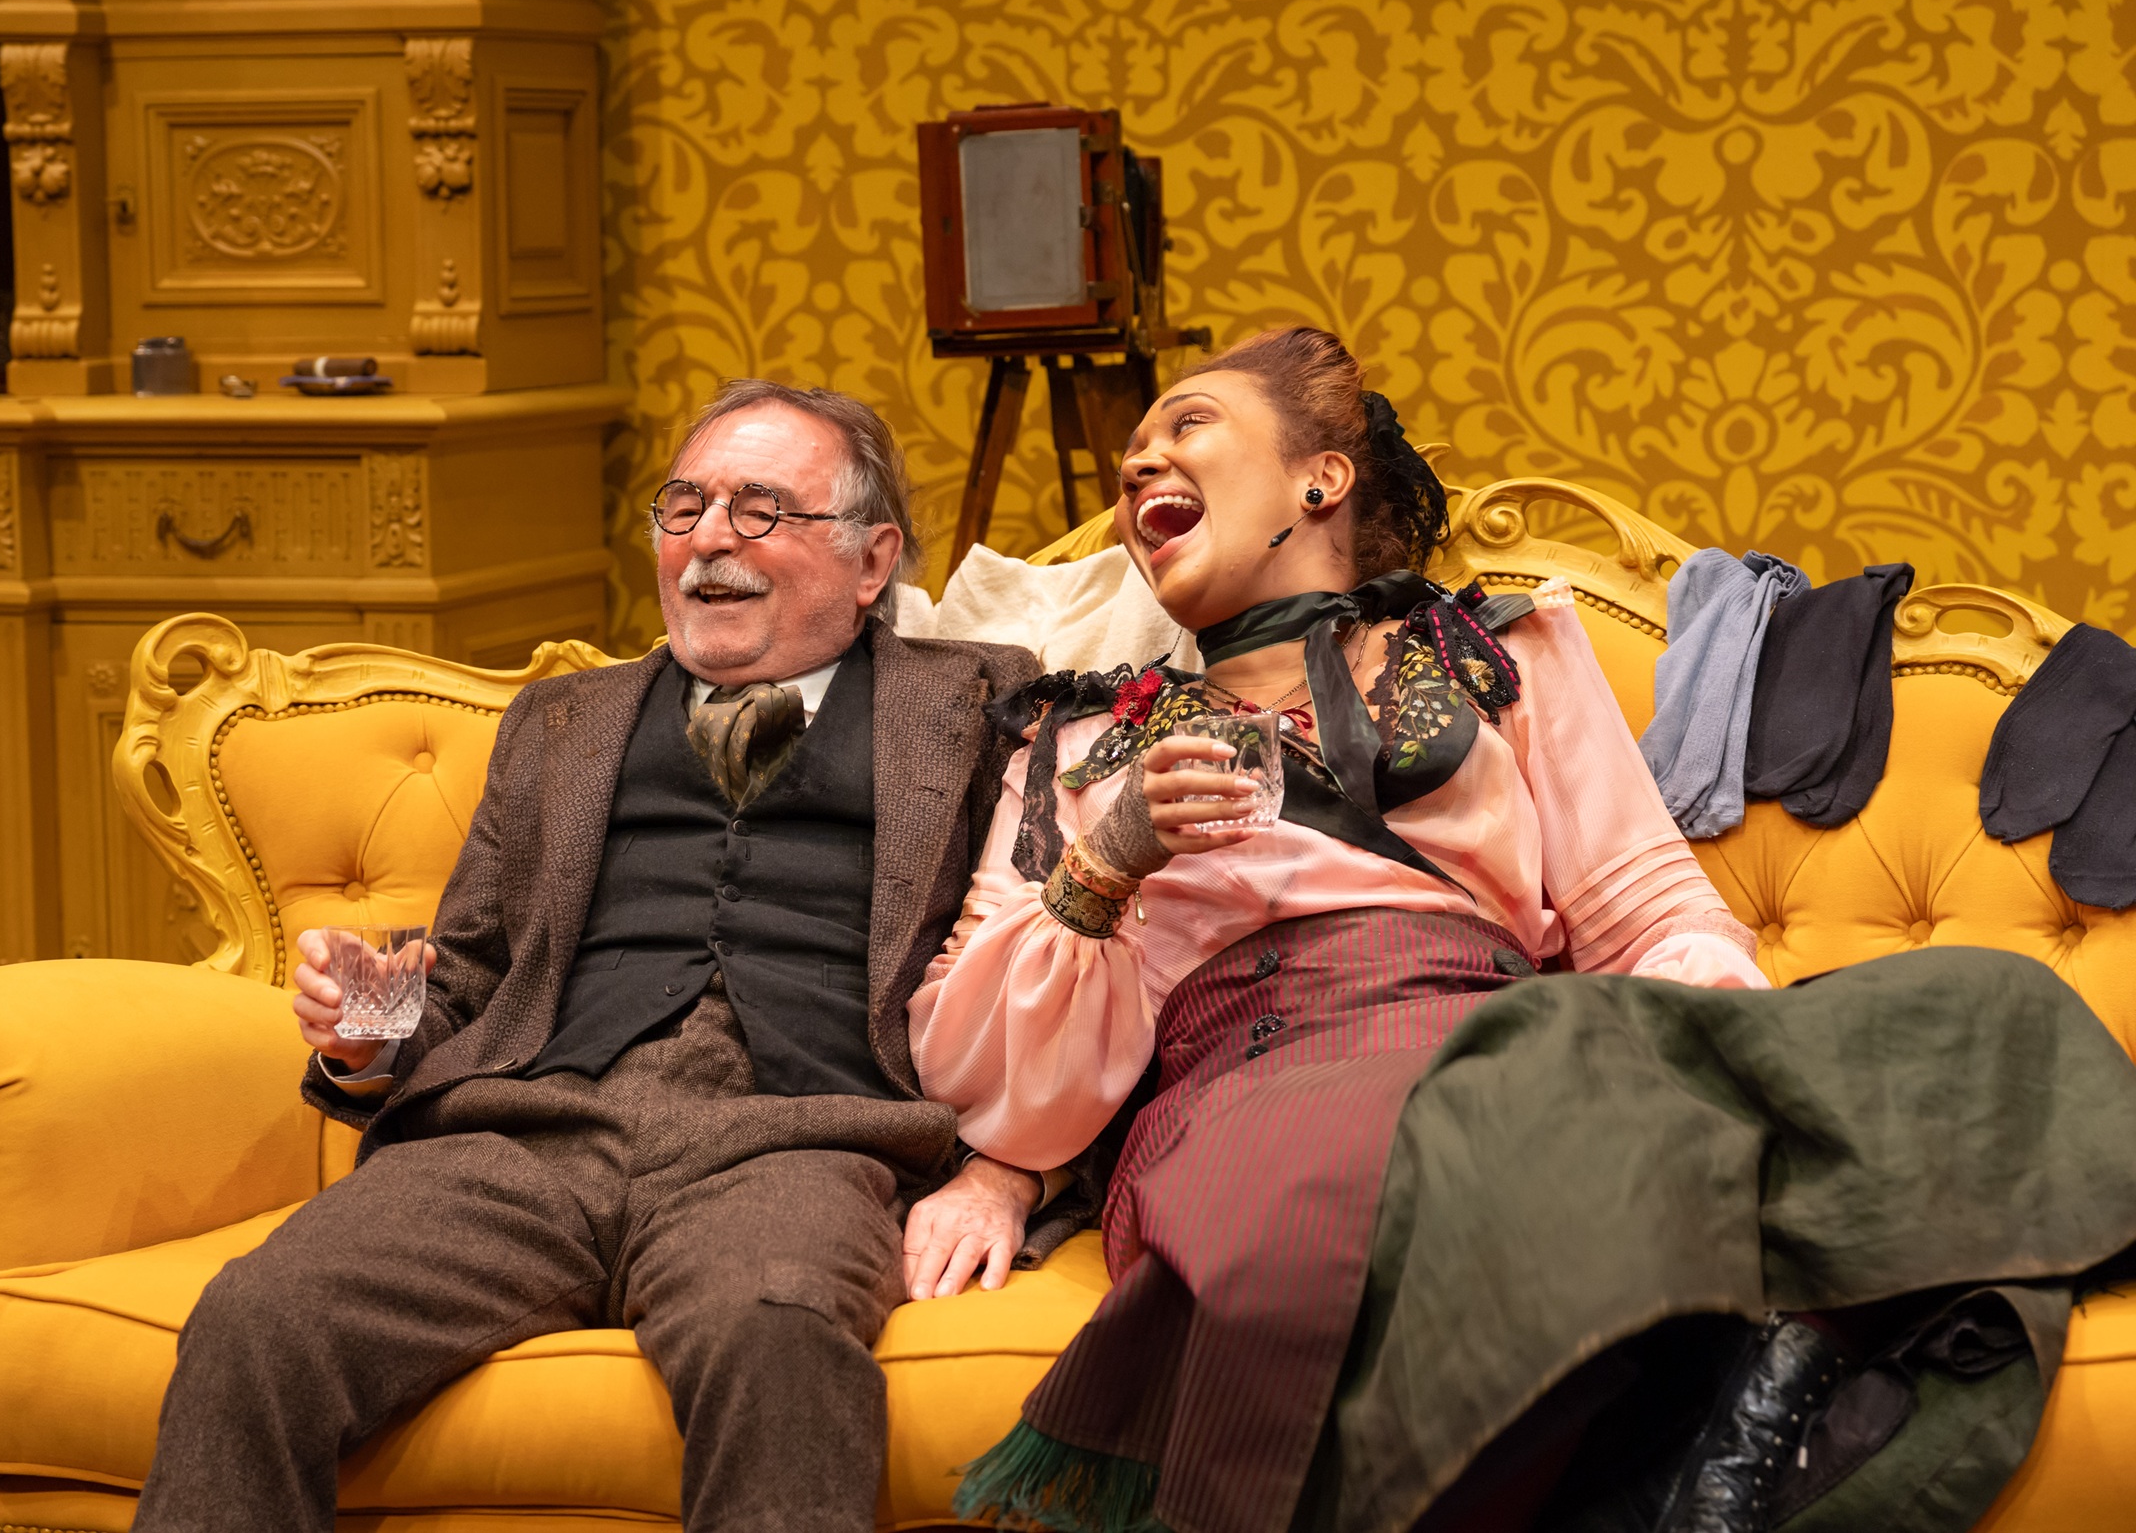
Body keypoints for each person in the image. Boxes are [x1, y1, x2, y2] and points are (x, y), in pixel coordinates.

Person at [907, 328, 2136, 1533]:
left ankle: (1736, 1423)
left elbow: (1647, 911)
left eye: (1186, 424)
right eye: (1133, 448)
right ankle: (1717, 1424)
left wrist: (1745, 1082)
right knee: (1434, 1146)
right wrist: (1111, 856)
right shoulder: (1079, 741)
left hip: (1522, 1050)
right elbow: (977, 1062)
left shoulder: (1496, 655)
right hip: (1263, 1079)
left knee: (1986, 1011)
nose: (1137, 464)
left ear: (1319, 480)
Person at [130, 379, 1045, 1533]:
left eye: (759, 510)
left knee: (774, 1338)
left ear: (872, 562)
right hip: (524, 1133)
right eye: (684, 507)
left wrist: (1008, 1172)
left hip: (798, 1142)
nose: (709, 538)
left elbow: (1072, 956)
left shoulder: (984, 702)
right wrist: (367, 1030)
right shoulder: (560, 723)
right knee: (257, 1319)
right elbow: (464, 978)